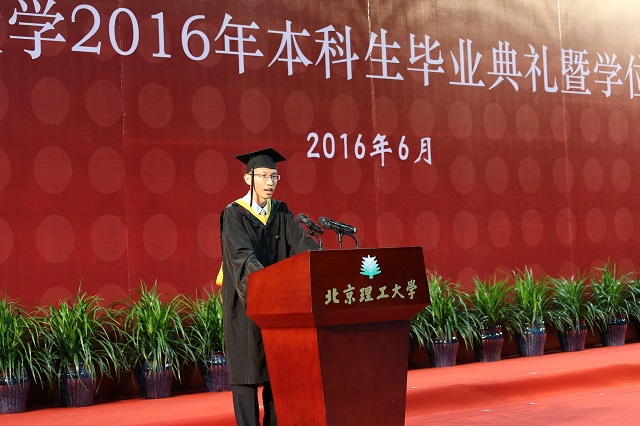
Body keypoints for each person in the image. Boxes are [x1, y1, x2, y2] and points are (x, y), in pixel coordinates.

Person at [219, 147, 320, 426]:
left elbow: (302, 247)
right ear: (248, 178)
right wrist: (267, 285)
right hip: (245, 302)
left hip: (278, 305)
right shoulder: (234, 214)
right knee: (247, 373)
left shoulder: (281, 212)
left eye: (274, 176)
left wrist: (325, 262)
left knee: (277, 372)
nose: (269, 182)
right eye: (263, 176)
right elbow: (242, 256)